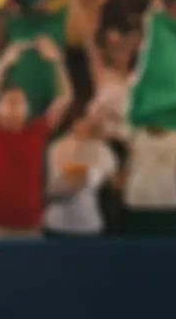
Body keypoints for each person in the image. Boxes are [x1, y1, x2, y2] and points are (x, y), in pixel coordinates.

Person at [0, 37, 70, 239]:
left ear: (28, 108)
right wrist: (4, 61)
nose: (15, 104)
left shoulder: (36, 129)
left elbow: (65, 98)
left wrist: (57, 62)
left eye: (20, 101)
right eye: (8, 101)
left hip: (30, 228)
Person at [42, 100, 121, 238]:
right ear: (74, 122)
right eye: (84, 120)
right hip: (56, 225)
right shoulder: (55, 148)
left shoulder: (102, 150)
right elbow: (51, 187)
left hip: (89, 226)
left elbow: (115, 183)